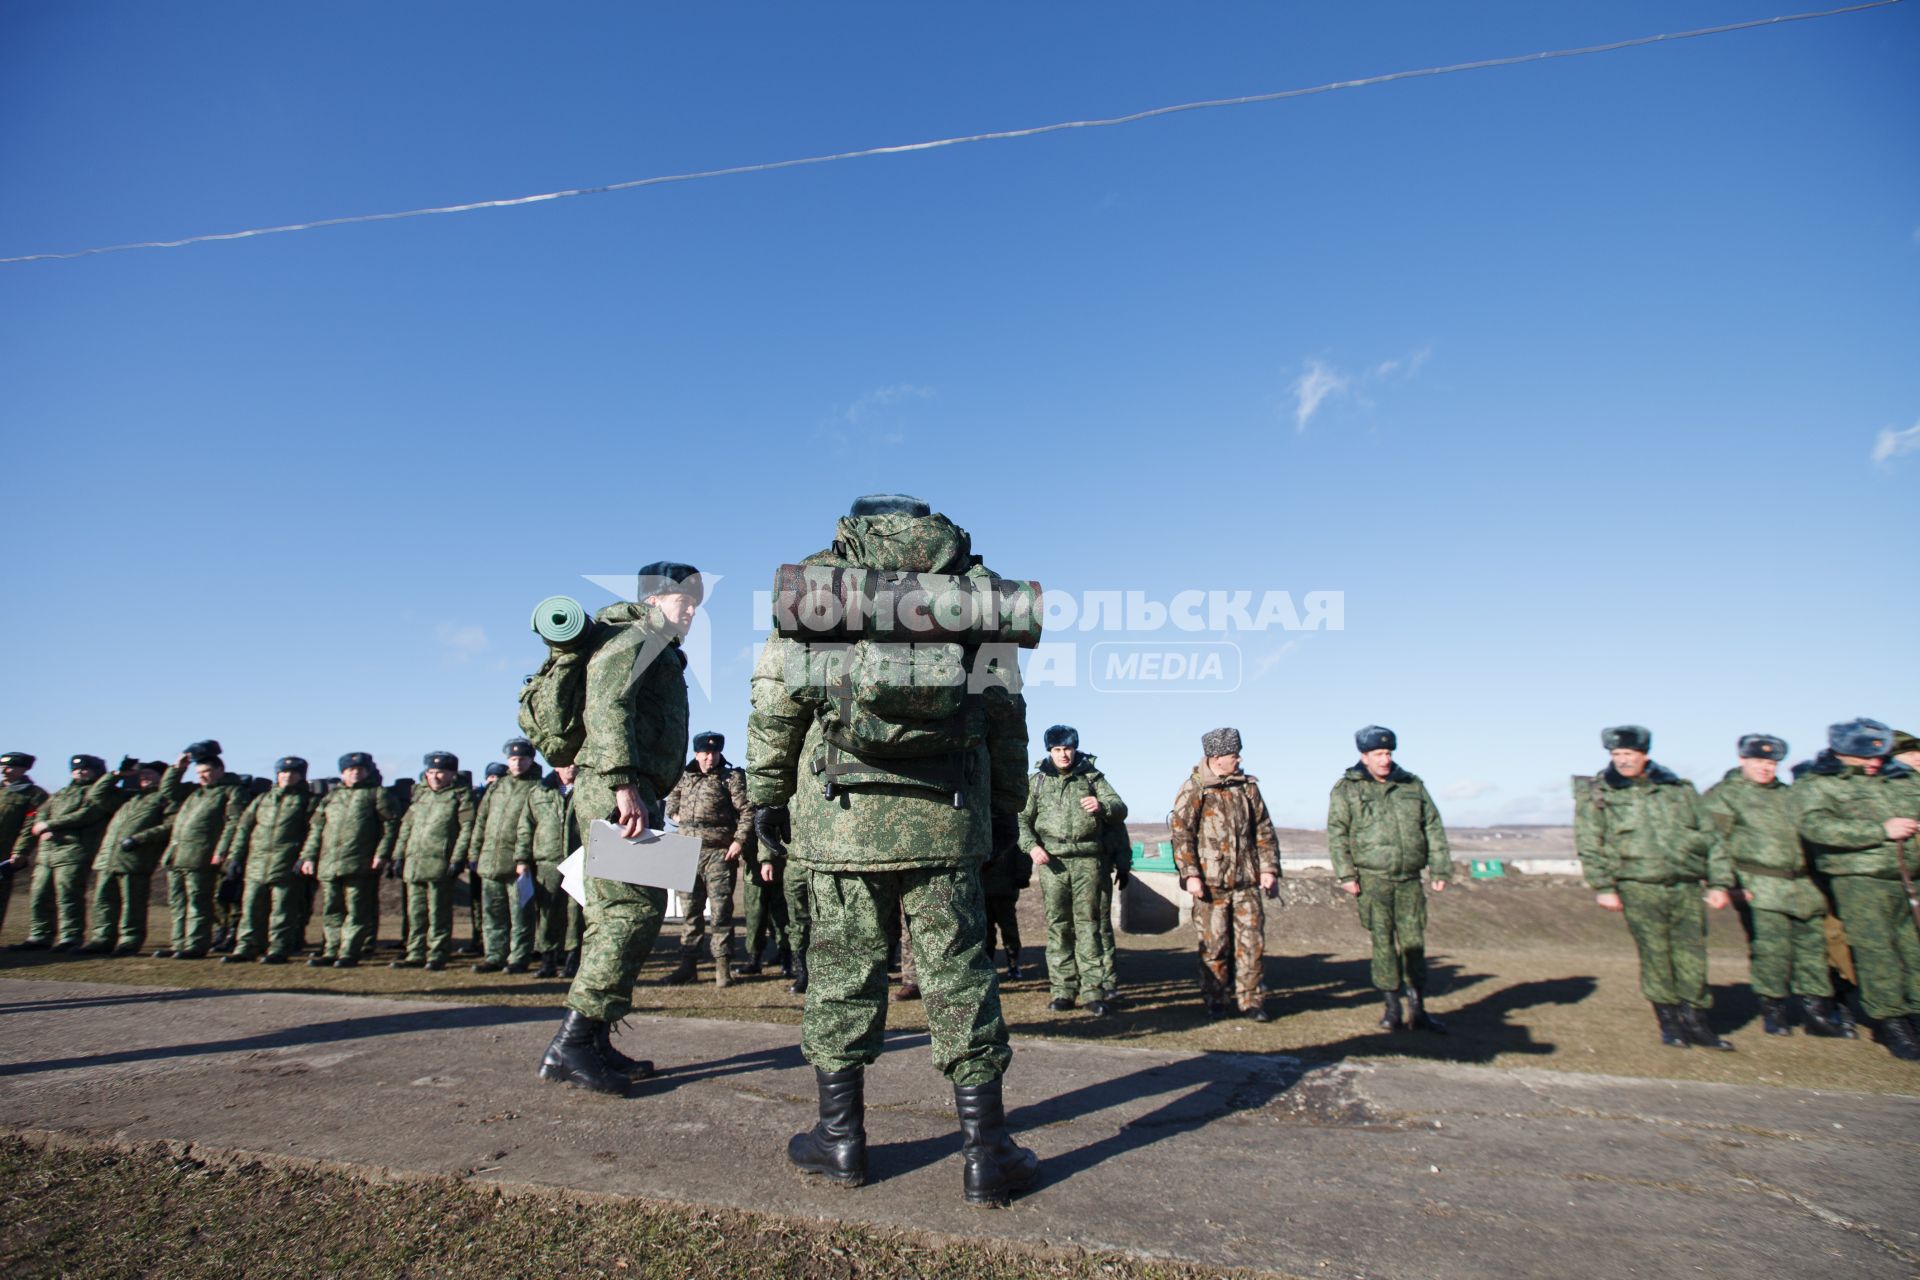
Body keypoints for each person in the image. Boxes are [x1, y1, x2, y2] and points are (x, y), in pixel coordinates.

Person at [749, 494, 1038, 1206]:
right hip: (950, 815)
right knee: (960, 978)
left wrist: (765, 793)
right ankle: (987, 1155)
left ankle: (840, 1141)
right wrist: (1007, 808)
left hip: (840, 818)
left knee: (843, 974)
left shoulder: (823, 583)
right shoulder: (971, 589)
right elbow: (1004, 708)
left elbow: (774, 697)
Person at [538, 561, 700, 1095]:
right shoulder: (636, 637)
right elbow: (609, 703)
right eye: (684, 601)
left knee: (627, 912)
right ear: (655, 599)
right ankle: (573, 1045)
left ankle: (595, 1039)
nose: (693, 611)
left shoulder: (655, 642)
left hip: (633, 789)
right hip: (617, 791)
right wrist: (622, 781)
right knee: (626, 912)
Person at [1574, 725, 1735, 1050]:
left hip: (1685, 884)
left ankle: (1697, 1021)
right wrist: (1603, 885)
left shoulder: (1679, 789)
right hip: (1638, 884)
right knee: (1655, 954)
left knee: (1693, 954)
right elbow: (1590, 841)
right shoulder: (1600, 793)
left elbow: (1711, 838)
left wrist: (1719, 882)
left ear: (1644, 754)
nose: (1622, 761)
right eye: (1616, 754)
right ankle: (1670, 1022)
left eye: (1628, 754)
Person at [1702, 734, 1850, 1037]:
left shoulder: (1790, 794)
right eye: (1759, 761)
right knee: (1771, 952)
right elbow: (1711, 842)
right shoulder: (1725, 796)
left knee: (1812, 951)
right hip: (1759, 885)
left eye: (1771, 762)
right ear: (1743, 760)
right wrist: (1724, 884)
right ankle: (1775, 1013)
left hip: (1804, 887)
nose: (1765, 768)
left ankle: (1816, 1014)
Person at [1794, 718, 1920, 1060]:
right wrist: (1880, 830)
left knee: (1914, 951)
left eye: (1878, 755)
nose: (1874, 762)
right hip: (1860, 879)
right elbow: (1816, 826)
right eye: (1865, 756)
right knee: (1878, 953)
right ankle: (1891, 1023)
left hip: (1910, 877)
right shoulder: (1819, 783)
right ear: (1842, 751)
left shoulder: (1899, 777)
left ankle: (1916, 1015)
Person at [1327, 725, 1454, 1033]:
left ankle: (1418, 1009)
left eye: (1388, 753)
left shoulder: (1412, 785)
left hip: (1409, 878)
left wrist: (1440, 868)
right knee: (1382, 942)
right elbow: (1337, 833)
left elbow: (1433, 828)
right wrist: (1346, 874)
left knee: (1414, 943)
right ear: (1364, 756)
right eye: (1378, 753)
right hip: (1373, 880)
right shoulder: (1347, 788)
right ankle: (1392, 1008)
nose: (1385, 759)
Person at [1171, 728, 1281, 1021]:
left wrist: (1269, 869)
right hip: (1210, 885)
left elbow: (1264, 831)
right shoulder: (1194, 788)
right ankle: (1216, 998)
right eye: (1234, 755)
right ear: (1216, 758)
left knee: (1251, 944)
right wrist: (1190, 874)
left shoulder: (1247, 788)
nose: (1239, 759)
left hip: (1246, 883)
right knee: (1214, 945)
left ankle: (1252, 1001)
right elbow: (1182, 834)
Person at [1019, 725, 1128, 1017]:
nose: (1063, 754)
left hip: (1088, 862)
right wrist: (1031, 846)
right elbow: (1021, 820)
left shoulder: (1092, 778)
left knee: (1088, 925)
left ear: (1075, 748)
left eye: (1067, 748)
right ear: (1049, 752)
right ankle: (1063, 990)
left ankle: (1093, 990)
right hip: (1052, 863)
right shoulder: (1037, 782)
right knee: (1059, 927)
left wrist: (1102, 805)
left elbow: (1120, 809)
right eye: (1057, 749)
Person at [661, 731, 753, 988]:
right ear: (696, 753)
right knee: (690, 912)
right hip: (686, 851)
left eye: (714, 752)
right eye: (705, 752)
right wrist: (684, 823)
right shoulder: (685, 777)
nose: (710, 757)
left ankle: (722, 967)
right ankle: (688, 966)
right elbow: (670, 807)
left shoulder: (731, 778)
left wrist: (738, 841)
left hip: (718, 853)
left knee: (721, 912)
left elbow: (746, 811)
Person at [299, 752, 399, 967]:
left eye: (360, 769)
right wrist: (308, 856)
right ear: (343, 772)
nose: (355, 773)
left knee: (356, 910)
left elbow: (389, 827)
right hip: (329, 862)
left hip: (359, 863)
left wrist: (382, 854)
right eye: (350, 770)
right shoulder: (331, 797)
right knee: (332, 910)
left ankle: (350, 952)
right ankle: (331, 950)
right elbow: (316, 829)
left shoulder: (377, 794)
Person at [12, 754, 120, 951]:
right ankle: (40, 935)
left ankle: (70, 936)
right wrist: (41, 825)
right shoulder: (62, 792)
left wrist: (50, 825)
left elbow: (88, 814)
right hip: (47, 853)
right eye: (76, 769)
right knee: (39, 894)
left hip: (74, 851)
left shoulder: (100, 794)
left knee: (68, 896)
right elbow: (42, 811)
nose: (79, 772)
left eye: (85, 768)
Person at [156, 741, 250, 959]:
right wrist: (178, 768)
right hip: (178, 856)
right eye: (199, 772)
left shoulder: (231, 792)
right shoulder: (195, 792)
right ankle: (179, 943)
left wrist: (222, 850)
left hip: (201, 855)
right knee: (178, 903)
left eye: (207, 771)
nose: (202, 776)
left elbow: (233, 823)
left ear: (220, 770)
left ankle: (196, 944)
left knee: (198, 902)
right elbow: (168, 790)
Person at [220, 756, 314, 964]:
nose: (287, 776)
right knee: (251, 908)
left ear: (301, 776)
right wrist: (236, 856)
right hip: (256, 864)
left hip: (286, 863)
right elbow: (244, 829)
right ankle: (246, 947)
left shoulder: (307, 801)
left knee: (282, 910)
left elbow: (313, 832)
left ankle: (278, 949)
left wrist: (305, 857)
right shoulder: (262, 800)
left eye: (293, 773)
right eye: (283, 772)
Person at [389, 751, 476, 971]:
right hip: (414, 863)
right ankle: (415, 952)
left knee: (438, 913)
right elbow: (406, 828)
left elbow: (466, 830)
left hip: (440, 863)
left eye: (441, 773)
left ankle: (437, 953)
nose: (435, 777)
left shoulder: (460, 797)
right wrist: (398, 855)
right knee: (415, 913)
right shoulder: (420, 796)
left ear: (452, 774)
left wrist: (457, 858)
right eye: (431, 772)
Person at [470, 738, 546, 974]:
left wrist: (523, 859)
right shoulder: (497, 786)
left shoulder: (538, 787)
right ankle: (494, 956)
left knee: (520, 913)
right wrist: (474, 852)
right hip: (490, 860)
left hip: (518, 862)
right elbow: (482, 821)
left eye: (522, 759)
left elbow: (536, 826)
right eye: (513, 759)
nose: (517, 763)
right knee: (492, 912)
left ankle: (519, 956)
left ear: (531, 759)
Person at [82, 761, 173, 954]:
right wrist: (117, 774)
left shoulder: (165, 799)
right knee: (103, 901)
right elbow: (96, 795)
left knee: (133, 903)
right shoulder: (128, 798)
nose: (144, 777)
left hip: (135, 859)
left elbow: (168, 826)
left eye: (149, 774)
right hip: (108, 858)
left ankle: (130, 940)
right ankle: (102, 938)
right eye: (141, 774)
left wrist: (139, 839)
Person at [521, 764, 580, 978]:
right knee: (547, 912)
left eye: (575, 763)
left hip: (579, 858)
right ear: (556, 766)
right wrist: (522, 858)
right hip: (547, 860)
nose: (571, 767)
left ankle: (573, 958)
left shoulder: (589, 789)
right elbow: (526, 826)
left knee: (576, 913)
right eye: (566, 763)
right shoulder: (539, 792)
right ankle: (548, 959)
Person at [0, 752, 51, 939]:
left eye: (10, 767)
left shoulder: (33, 794)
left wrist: (21, 851)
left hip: (5, 853)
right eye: (2, 766)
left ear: (24, 769)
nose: (4, 770)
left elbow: (30, 825)